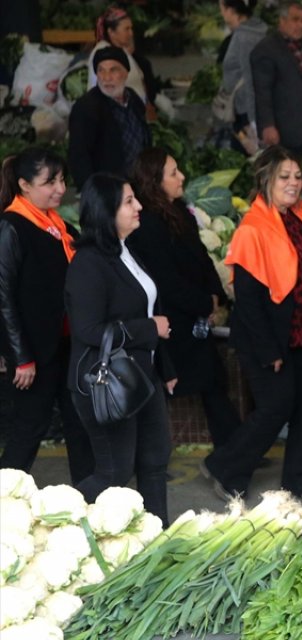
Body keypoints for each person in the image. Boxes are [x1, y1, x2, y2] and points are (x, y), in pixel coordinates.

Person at [201, 146, 302, 500]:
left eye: (298, 177)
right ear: (266, 179)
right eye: (285, 177)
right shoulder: (253, 228)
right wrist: (269, 350)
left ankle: (300, 474)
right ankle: (225, 466)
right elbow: (248, 299)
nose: (293, 183)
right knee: (275, 408)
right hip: (267, 337)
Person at [65, 173, 176, 525]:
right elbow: (88, 329)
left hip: (143, 376)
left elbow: (146, 311)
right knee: (115, 472)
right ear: (105, 210)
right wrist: (150, 329)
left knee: (155, 461)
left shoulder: (127, 251)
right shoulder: (88, 262)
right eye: (129, 201)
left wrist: (166, 366)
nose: (139, 206)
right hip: (107, 381)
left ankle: (158, 538)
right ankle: (60, 518)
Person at [128, 149, 242, 448]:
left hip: (194, 313)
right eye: (173, 173)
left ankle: (234, 450)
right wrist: (205, 303)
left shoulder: (179, 212)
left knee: (213, 382)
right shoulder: (148, 224)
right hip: (173, 319)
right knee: (180, 384)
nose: (182, 177)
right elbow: (166, 281)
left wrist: (216, 295)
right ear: (155, 181)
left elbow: (202, 258)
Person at [0, 149, 92, 481]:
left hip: (69, 344)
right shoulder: (11, 226)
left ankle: (89, 498)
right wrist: (20, 357)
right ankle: (4, 496)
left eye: (61, 180)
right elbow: (3, 298)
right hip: (35, 352)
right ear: (23, 185)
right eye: (49, 182)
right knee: (30, 428)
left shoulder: (59, 225)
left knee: (80, 424)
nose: (59, 188)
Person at [68, 47, 152, 188]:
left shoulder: (133, 99)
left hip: (138, 183)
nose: (106, 78)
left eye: (113, 70)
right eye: (101, 70)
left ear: (125, 73)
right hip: (109, 188)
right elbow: (78, 156)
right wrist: (90, 190)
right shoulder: (86, 108)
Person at [251, 1, 302, 154]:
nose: (301, 25)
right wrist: (268, 125)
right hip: (284, 130)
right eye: (295, 20)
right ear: (282, 21)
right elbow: (262, 91)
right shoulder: (267, 49)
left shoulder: (299, 45)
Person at [218, 0, 269, 151]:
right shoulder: (256, 30)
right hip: (248, 110)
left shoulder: (244, 37)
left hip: (247, 114)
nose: (221, 12)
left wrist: (252, 122)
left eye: (221, 7)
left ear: (230, 10)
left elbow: (249, 78)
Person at [88, 5, 157, 106]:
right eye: (127, 29)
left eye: (131, 28)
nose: (131, 33)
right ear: (111, 32)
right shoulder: (103, 53)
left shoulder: (121, 50)